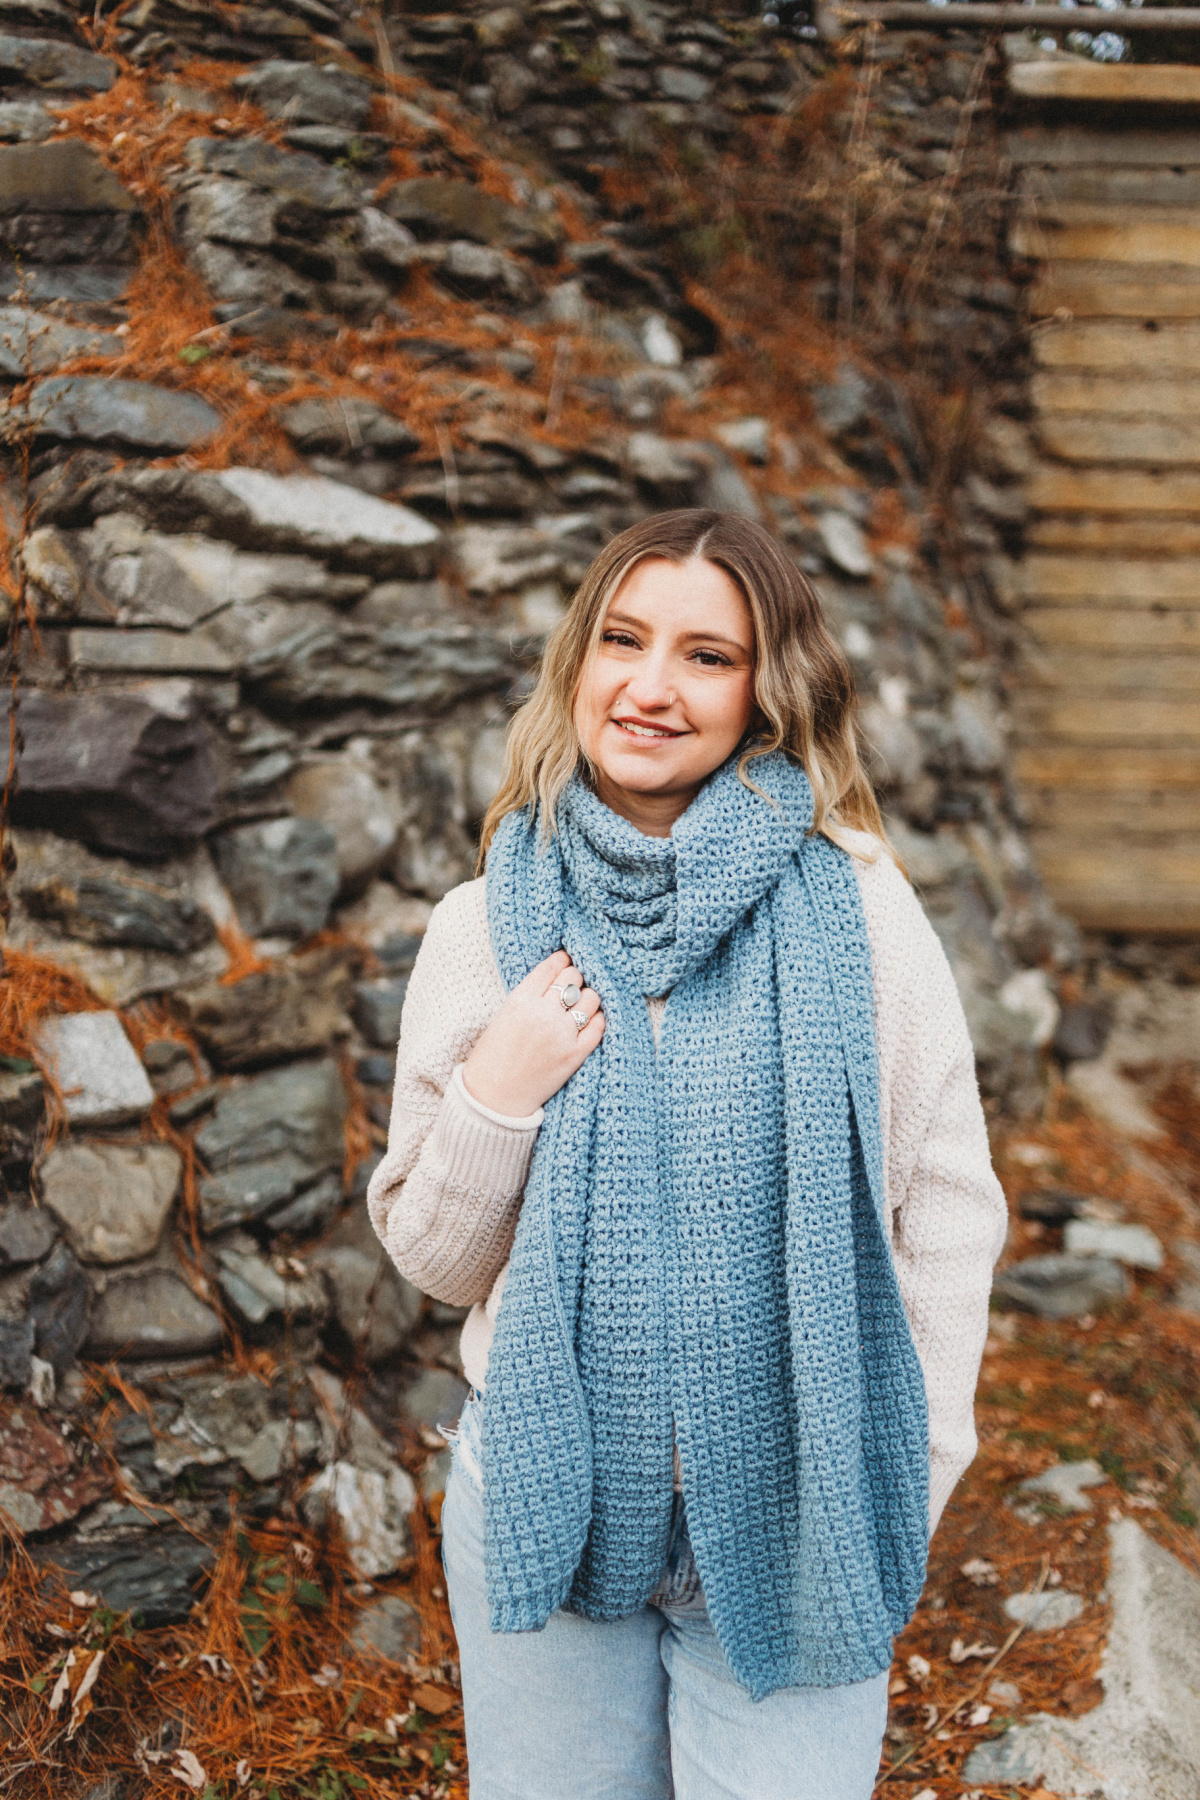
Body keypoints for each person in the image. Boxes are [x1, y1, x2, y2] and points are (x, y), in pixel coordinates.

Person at [368, 509, 1006, 1800]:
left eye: (707, 656)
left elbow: (946, 1204)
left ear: (767, 692)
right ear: (579, 661)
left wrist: (913, 1470)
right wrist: (499, 1088)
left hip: (805, 1508)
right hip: (549, 1504)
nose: (651, 687)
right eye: (624, 640)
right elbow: (435, 1262)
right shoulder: (483, 927)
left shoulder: (861, 907)